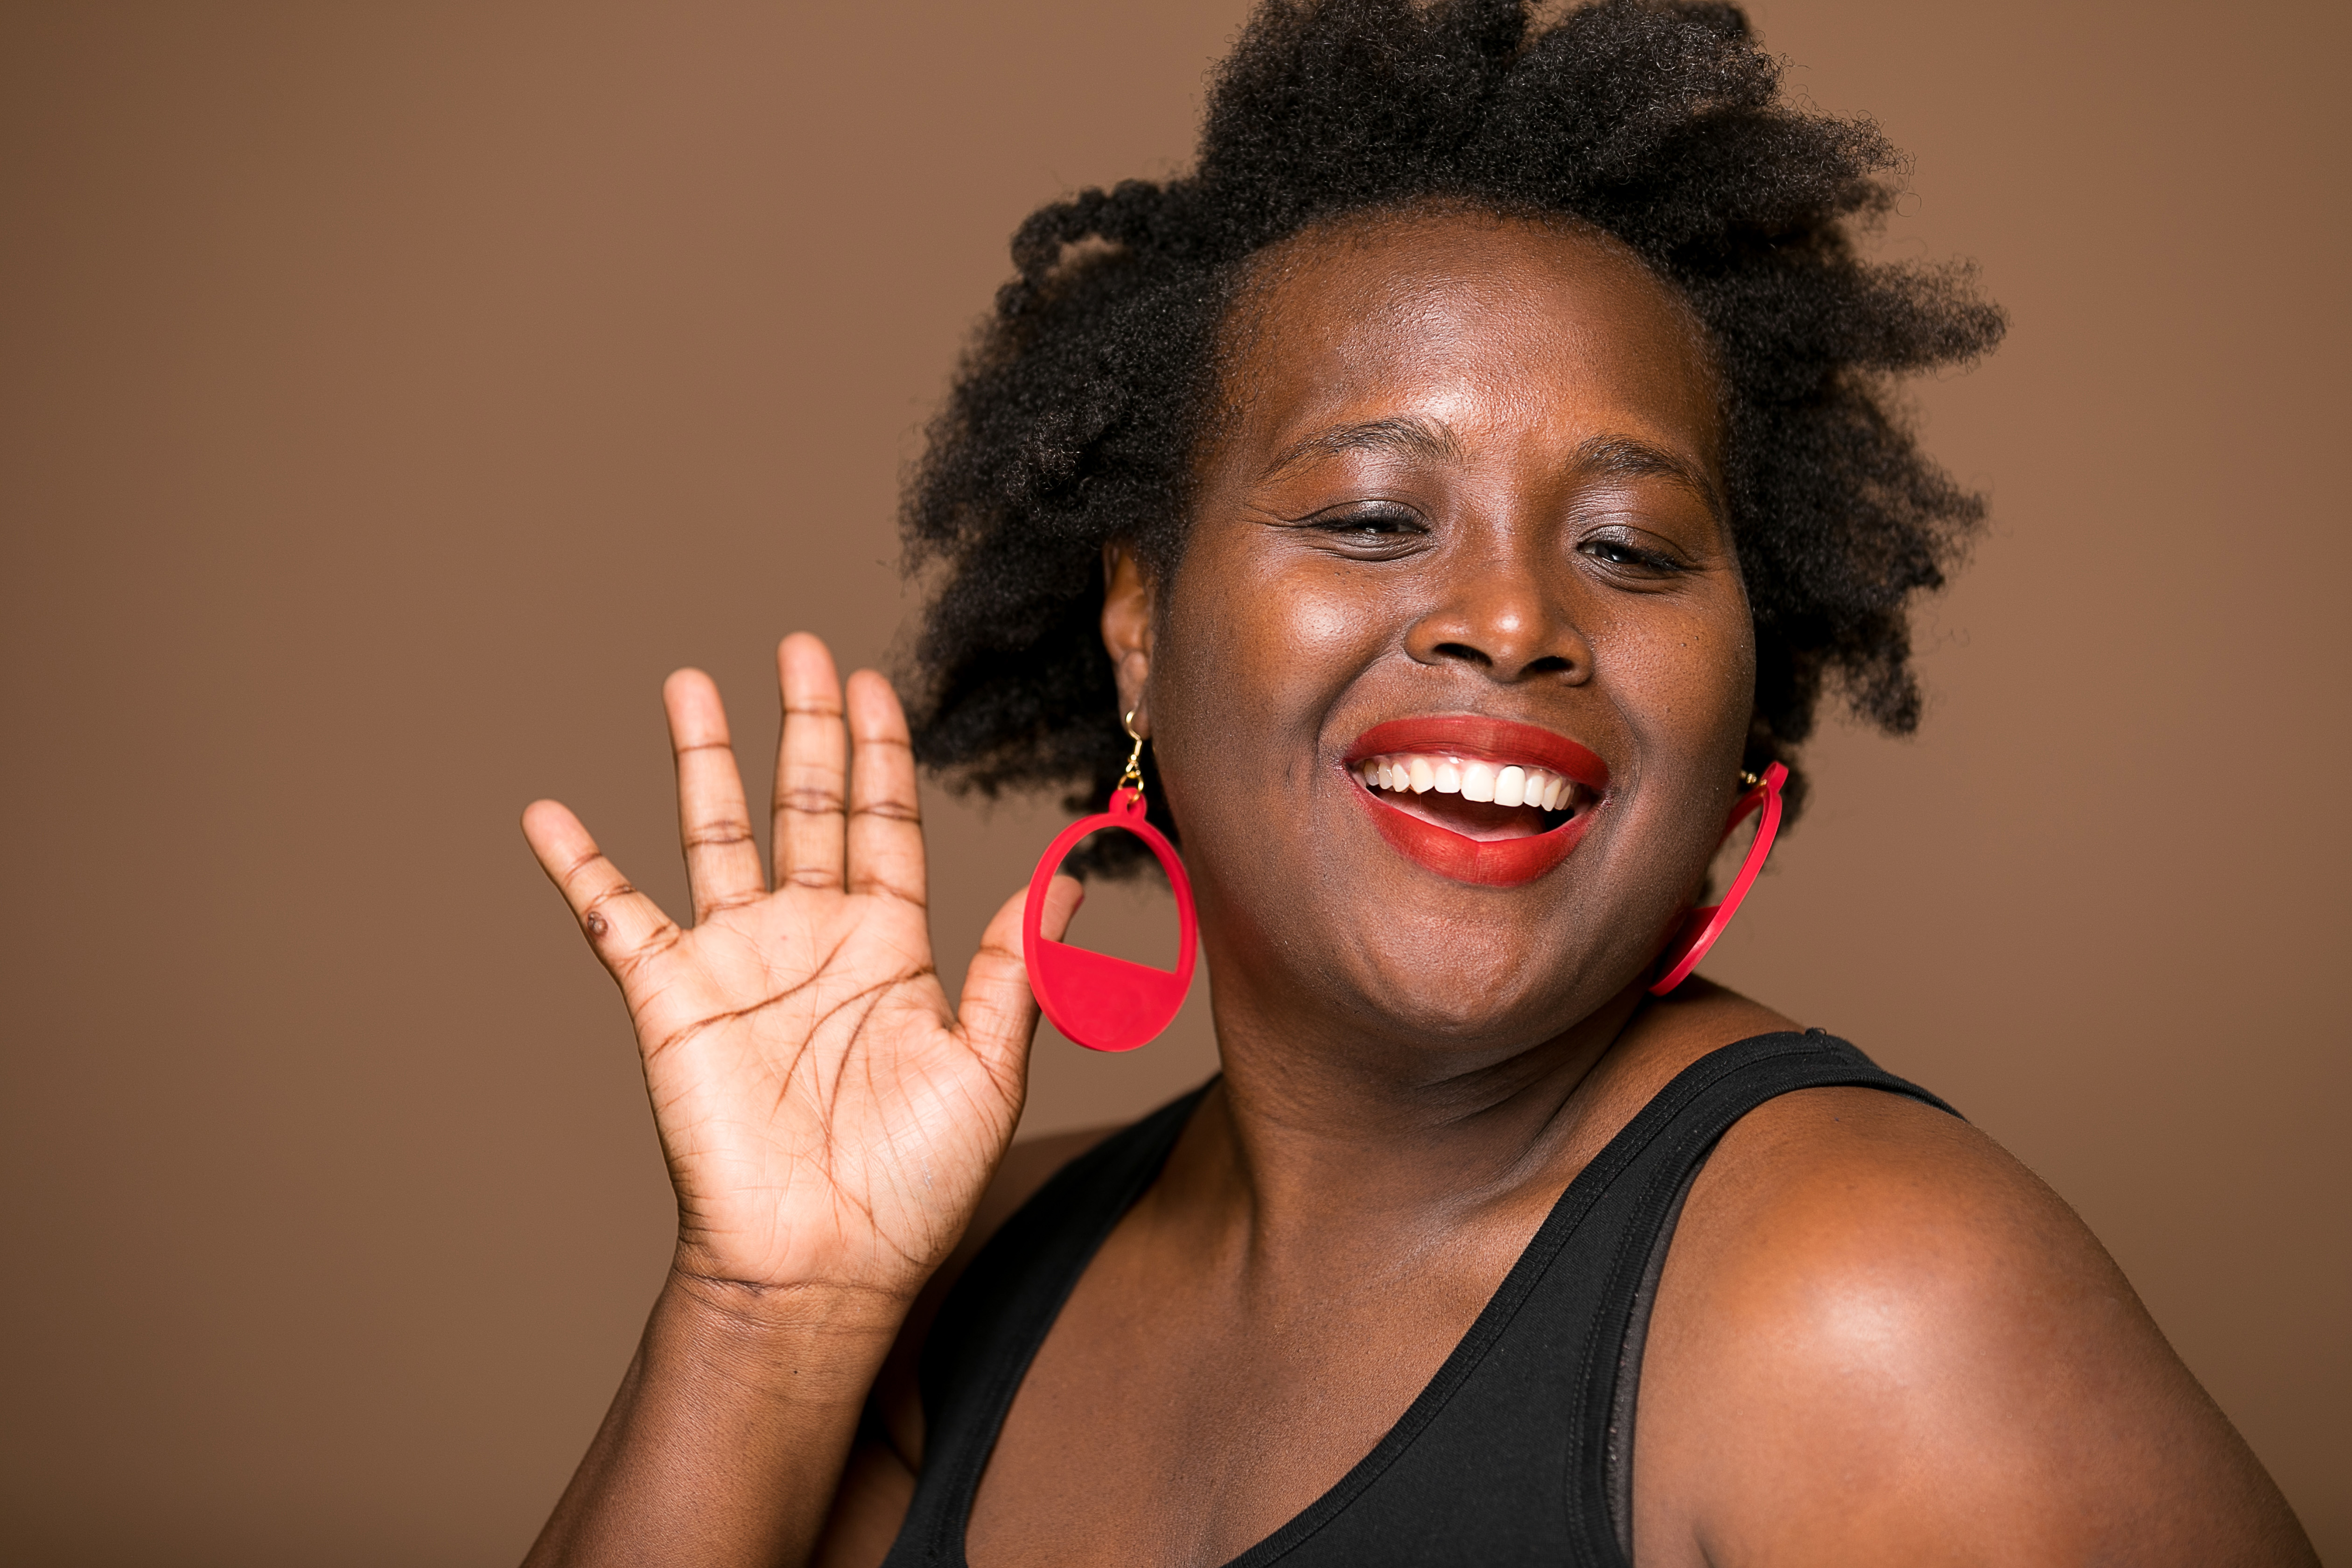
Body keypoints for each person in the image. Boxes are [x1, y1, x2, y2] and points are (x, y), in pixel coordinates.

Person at [516, 2, 2317, 1563]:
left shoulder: (1876, 1307)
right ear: (1136, 627)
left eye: (1633, 548)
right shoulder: (977, 1276)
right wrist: (771, 1319)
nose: (1518, 616)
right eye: (1377, 518)